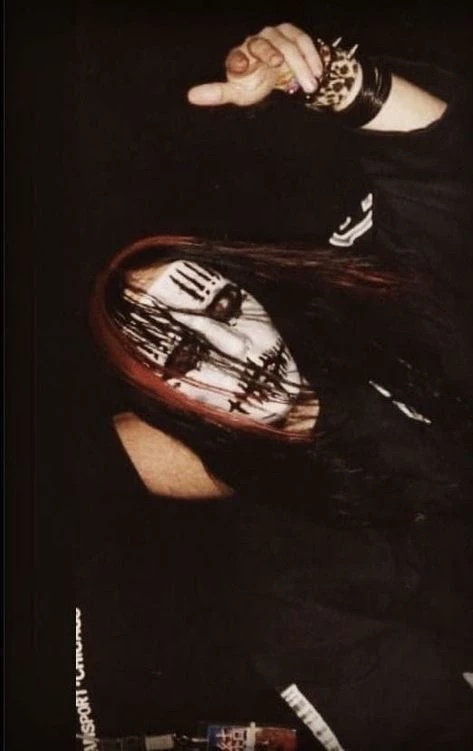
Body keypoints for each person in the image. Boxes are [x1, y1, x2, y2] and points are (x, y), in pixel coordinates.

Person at [77, 20, 473, 751]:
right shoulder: (292, 589)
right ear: (161, 403)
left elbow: (440, 164)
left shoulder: (380, 316)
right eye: (182, 355)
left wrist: (335, 82)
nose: (235, 348)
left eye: (226, 305)